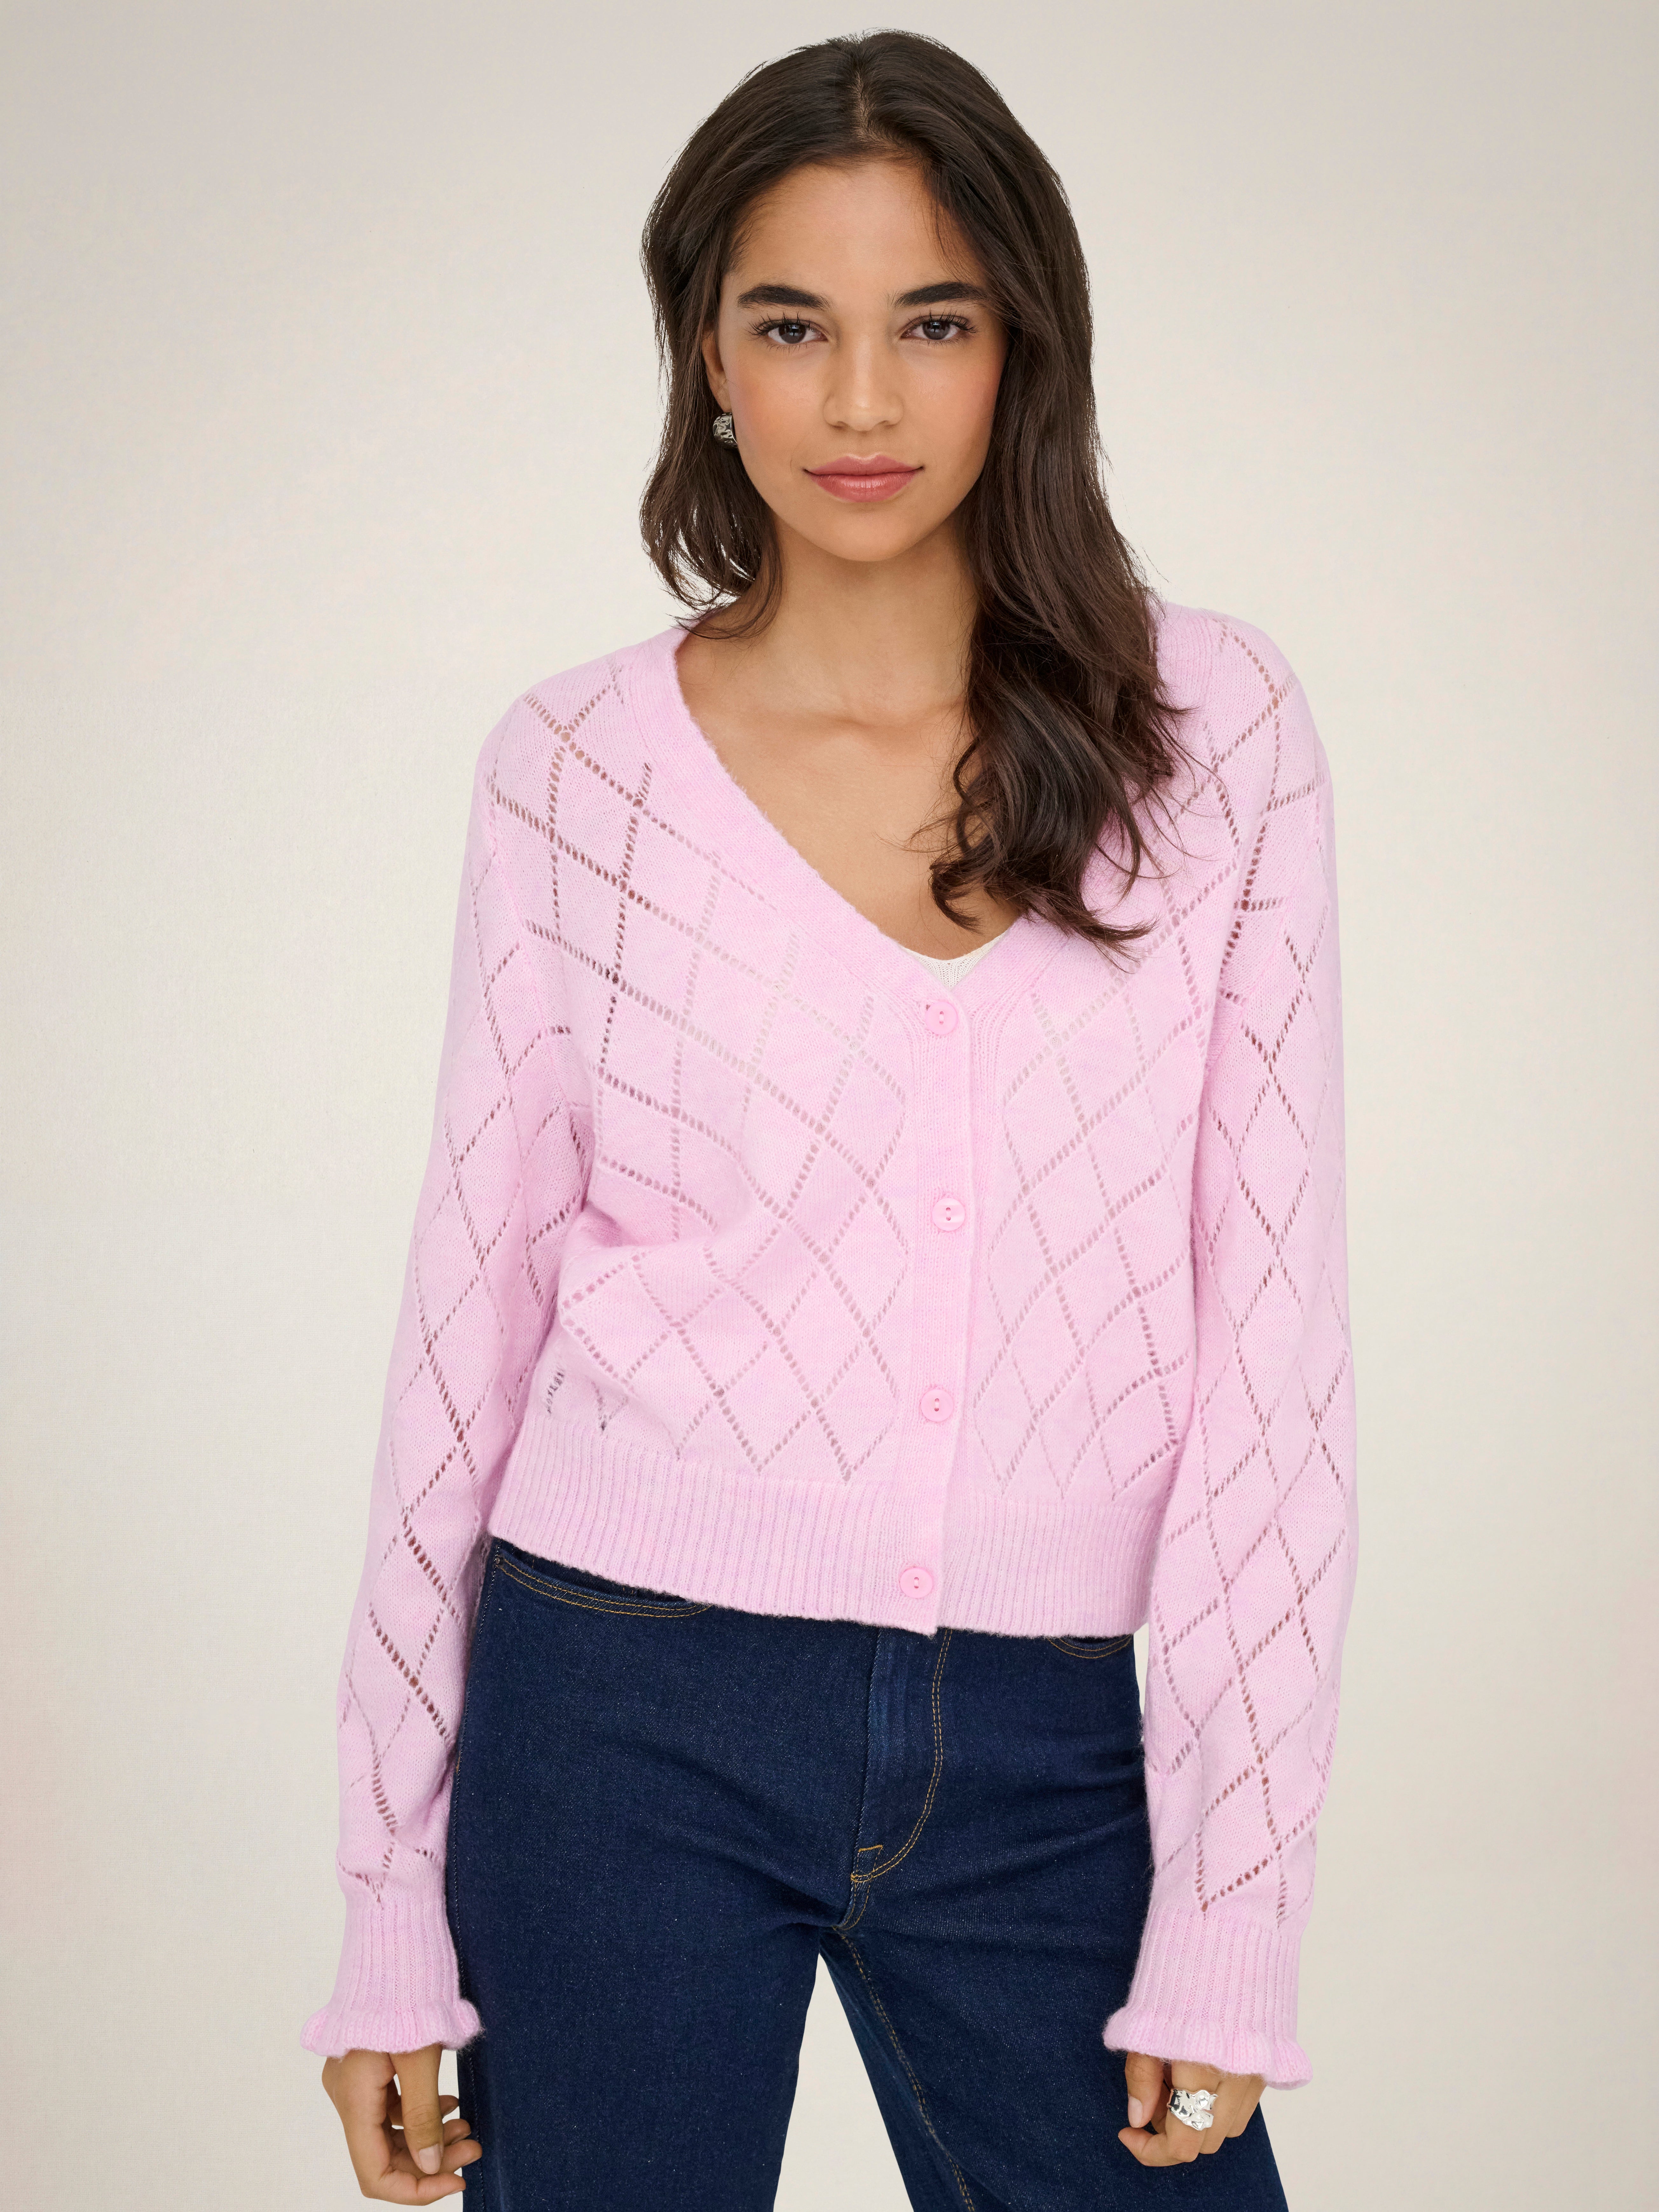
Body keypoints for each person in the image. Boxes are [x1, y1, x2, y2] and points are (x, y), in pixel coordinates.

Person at [302, 29, 1356, 2210]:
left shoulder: (1212, 733)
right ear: (706, 354)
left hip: (1051, 1746)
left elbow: (1272, 1348)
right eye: (791, 326)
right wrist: (386, 1902)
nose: (859, 402)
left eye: (930, 324)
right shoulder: (575, 774)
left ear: (1022, 348)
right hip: (618, 1717)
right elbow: (467, 1325)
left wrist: (1234, 1903)